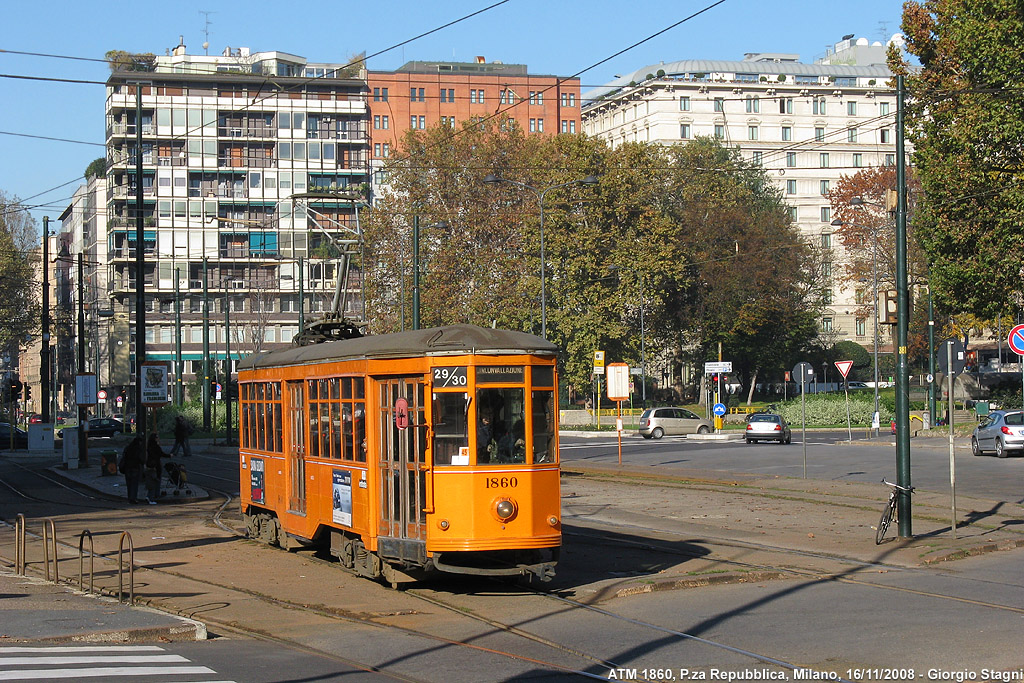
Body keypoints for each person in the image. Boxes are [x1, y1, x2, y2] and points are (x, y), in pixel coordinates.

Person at [119, 436, 145, 504]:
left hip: (127, 468)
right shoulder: (138, 449)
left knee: (129, 484)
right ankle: (133, 498)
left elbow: (124, 457)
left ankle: (130, 497)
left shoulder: (128, 448)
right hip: (135, 467)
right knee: (134, 484)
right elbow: (140, 459)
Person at [144, 433, 166, 504]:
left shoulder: (149, 446)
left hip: (150, 465)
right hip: (156, 466)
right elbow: (161, 454)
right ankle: (153, 497)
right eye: (157, 437)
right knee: (156, 480)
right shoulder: (156, 446)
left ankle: (149, 496)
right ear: (155, 439)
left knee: (151, 481)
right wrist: (169, 455)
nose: (158, 439)